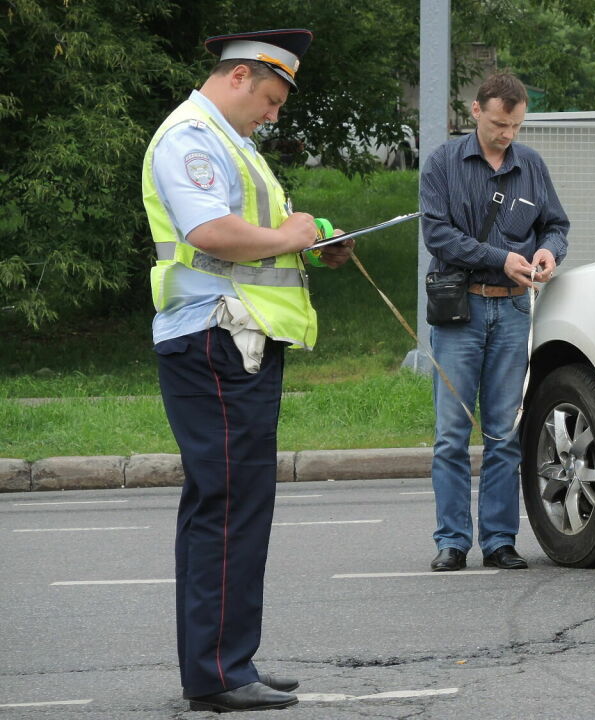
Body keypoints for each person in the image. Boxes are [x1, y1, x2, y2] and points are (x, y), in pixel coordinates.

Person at [141, 28, 353, 713]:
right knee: (230, 506)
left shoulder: (231, 142)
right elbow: (210, 232)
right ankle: (220, 673)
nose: (272, 114)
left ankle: (228, 659)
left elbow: (257, 236)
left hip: (230, 338)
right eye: (269, 99)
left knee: (226, 505)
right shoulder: (190, 137)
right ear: (238, 78)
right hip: (216, 340)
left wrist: (313, 242)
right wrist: (291, 237)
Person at [420, 72, 569, 573]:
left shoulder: (531, 164)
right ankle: (452, 541)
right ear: (476, 111)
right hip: (460, 309)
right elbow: (437, 236)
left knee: (506, 433)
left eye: (516, 126)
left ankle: (501, 540)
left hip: (512, 311)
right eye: (500, 124)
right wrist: (500, 256)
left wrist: (549, 251)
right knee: (451, 433)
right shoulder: (443, 162)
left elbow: (556, 224)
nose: (508, 135)